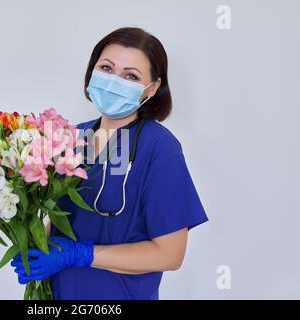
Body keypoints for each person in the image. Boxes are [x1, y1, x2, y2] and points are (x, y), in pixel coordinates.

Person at [11, 27, 209, 299]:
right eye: (106, 68)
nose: (114, 81)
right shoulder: (69, 139)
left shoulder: (159, 148)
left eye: (130, 76)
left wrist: (80, 254)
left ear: (151, 89)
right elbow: (62, 217)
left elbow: (170, 254)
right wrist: (34, 245)